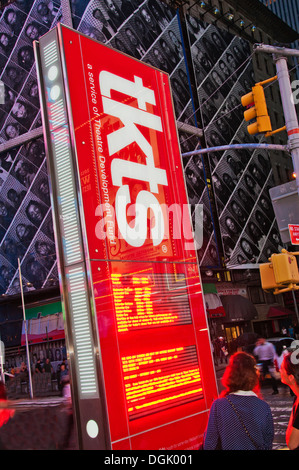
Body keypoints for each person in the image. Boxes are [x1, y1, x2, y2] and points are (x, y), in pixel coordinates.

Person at [203, 352, 274, 450]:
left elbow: (209, 445)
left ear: (230, 375)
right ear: (253, 376)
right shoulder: (263, 407)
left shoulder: (218, 406)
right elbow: (268, 443)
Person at [280, 351, 299, 449]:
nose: (279, 370)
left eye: (282, 368)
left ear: (291, 377)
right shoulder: (297, 397)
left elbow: (292, 443)